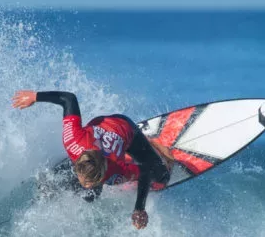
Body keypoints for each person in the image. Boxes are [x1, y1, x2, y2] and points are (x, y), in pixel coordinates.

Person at [12, 90, 173, 229]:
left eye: (89, 182)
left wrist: (139, 208)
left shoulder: (116, 172)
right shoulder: (72, 140)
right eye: (84, 179)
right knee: (90, 196)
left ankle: (152, 143)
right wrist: (35, 96)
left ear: (103, 176)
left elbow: (145, 172)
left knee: (162, 176)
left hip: (126, 128)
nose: (84, 184)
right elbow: (68, 98)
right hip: (101, 130)